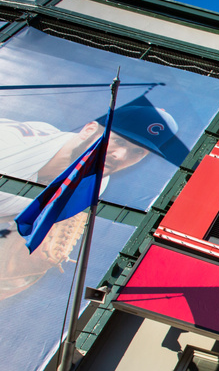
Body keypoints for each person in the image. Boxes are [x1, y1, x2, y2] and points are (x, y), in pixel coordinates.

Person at [0, 105, 178, 300]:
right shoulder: (9, 143)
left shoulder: (95, 182)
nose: (120, 156)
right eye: (118, 141)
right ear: (89, 130)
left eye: (137, 153)